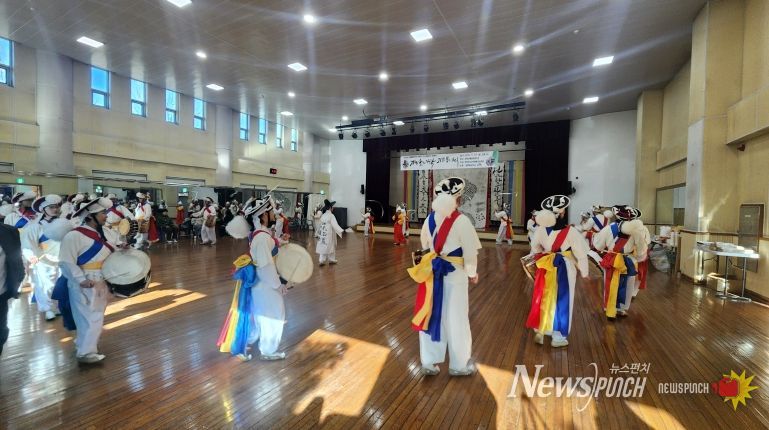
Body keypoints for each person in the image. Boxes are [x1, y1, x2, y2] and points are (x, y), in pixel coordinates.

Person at [409, 177, 481, 376]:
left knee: (432, 314)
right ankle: (458, 365)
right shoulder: (462, 221)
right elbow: (470, 254)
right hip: (455, 275)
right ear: (457, 200)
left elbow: (425, 247)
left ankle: (429, 362)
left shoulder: (428, 220)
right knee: (457, 318)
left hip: (432, 274)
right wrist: (472, 273)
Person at [219, 196, 289, 361]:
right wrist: (278, 285)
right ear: (263, 215)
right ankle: (268, 350)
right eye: (270, 211)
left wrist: (279, 241)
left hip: (260, 283)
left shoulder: (260, 235)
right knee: (273, 314)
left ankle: (248, 341)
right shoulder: (262, 238)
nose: (273, 213)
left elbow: (267, 249)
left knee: (259, 313)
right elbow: (265, 266)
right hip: (265, 283)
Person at [525, 195, 589, 347]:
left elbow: (534, 248)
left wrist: (547, 252)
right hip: (564, 267)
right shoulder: (571, 231)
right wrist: (584, 272)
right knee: (564, 299)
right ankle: (558, 337)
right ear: (562, 213)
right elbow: (581, 253)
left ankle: (543, 328)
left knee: (545, 295)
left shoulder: (540, 229)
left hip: (546, 265)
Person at [58, 197, 115, 363]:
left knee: (94, 315)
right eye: (103, 213)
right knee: (89, 317)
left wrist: (121, 248)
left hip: (100, 280)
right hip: (85, 282)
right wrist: (80, 279)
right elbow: (66, 261)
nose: (106, 216)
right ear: (90, 216)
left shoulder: (104, 233)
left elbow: (111, 249)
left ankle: (84, 344)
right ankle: (86, 353)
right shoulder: (74, 236)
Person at [592, 205, 647, 319]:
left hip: (613, 258)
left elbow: (598, 245)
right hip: (628, 259)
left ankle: (610, 308)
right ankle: (621, 309)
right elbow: (642, 249)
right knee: (627, 285)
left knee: (610, 283)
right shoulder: (636, 231)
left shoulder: (608, 229)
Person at [23, 195, 64, 321]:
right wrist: (32, 256)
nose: (55, 209)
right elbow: (27, 243)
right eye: (51, 207)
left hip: (62, 258)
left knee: (59, 284)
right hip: (44, 259)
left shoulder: (63, 223)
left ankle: (57, 307)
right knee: (45, 285)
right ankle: (47, 309)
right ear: (43, 209)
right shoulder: (35, 226)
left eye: (57, 207)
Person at [1, 223, 25, 356]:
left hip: (1, 293)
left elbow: (15, 259)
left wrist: (18, 279)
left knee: (1, 332)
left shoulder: (8, 231)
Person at [315, 199, 344, 265]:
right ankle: (331, 259)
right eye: (332, 207)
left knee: (323, 245)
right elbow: (335, 225)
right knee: (331, 245)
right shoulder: (331, 215)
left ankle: (321, 260)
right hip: (329, 233)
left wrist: (317, 232)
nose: (333, 208)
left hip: (323, 233)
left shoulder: (323, 215)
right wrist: (340, 230)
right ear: (330, 208)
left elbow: (319, 224)